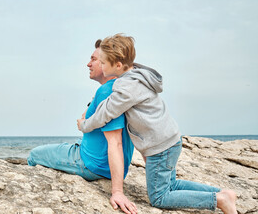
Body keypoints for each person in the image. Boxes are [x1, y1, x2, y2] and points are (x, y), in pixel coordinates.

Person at [77, 34, 238, 214]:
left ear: (118, 65)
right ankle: (223, 194)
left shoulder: (126, 88)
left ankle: (218, 199)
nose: (101, 65)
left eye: (104, 62)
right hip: (170, 140)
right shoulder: (138, 77)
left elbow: (106, 113)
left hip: (159, 147)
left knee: (159, 196)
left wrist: (84, 125)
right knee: (171, 184)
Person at [27, 40, 137, 214]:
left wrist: (117, 192)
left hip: (90, 163)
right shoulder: (122, 89)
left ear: (105, 63)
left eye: (94, 59)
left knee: (34, 155)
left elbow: (114, 142)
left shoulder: (107, 92)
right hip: (100, 159)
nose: (88, 63)